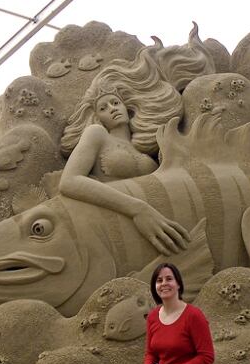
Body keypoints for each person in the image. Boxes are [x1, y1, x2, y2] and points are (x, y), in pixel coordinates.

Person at [59, 46, 190, 256]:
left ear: (126, 107)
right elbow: (69, 181)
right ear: (98, 117)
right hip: (119, 224)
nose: (111, 108)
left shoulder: (145, 150)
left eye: (115, 102)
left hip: (158, 229)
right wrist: (137, 208)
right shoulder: (97, 134)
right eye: (103, 108)